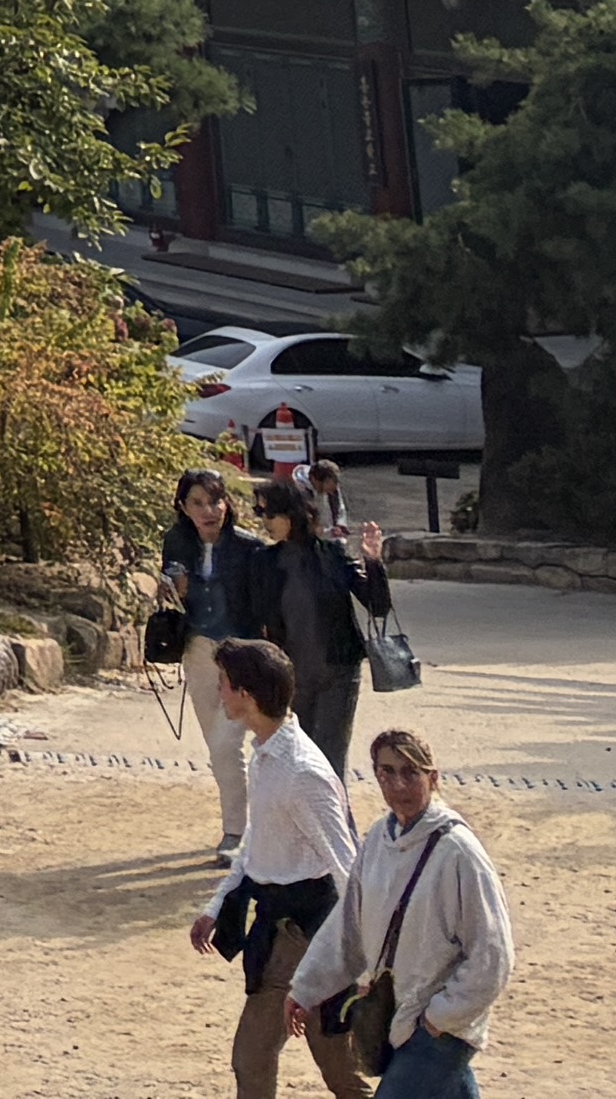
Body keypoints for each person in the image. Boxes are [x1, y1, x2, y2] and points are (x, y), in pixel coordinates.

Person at [186, 639, 367, 1099]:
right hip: (280, 926)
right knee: (330, 1067)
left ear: (246, 695)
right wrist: (216, 905)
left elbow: (346, 866)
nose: (220, 694)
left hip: (310, 930)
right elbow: (257, 846)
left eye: (224, 685)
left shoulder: (302, 771)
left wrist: (360, 961)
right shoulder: (266, 753)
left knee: (263, 1055)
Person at [292, 725, 515, 1097]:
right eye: (387, 772)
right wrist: (305, 988)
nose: (398, 785)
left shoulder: (459, 853)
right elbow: (348, 926)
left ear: (433, 778)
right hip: (401, 1019)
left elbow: (494, 954)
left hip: (440, 1028)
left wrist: (441, 1016)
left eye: (411, 772)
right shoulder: (379, 838)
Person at [163, 468, 286, 857]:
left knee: (225, 742)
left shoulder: (249, 548)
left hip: (240, 653)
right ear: (184, 507)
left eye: (215, 500)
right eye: (197, 502)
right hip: (198, 649)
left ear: (227, 504)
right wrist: (174, 592)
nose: (208, 510)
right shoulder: (176, 543)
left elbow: (266, 603)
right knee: (217, 747)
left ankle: (237, 833)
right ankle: (238, 827)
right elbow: (172, 600)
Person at [255, 477, 399, 773]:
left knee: (329, 761)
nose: (265, 522)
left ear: (293, 514)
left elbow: (378, 605)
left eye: (271, 514)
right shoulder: (265, 562)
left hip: (338, 673)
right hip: (293, 677)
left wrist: (373, 562)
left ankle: (338, 820)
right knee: (298, 760)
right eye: (261, 514)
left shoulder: (331, 554)